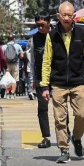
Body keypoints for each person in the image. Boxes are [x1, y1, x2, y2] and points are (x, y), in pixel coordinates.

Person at [40, 2, 84, 164]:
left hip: (78, 82)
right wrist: (44, 85)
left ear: (74, 17)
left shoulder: (82, 33)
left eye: (69, 15)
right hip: (58, 83)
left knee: (81, 115)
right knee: (60, 119)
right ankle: (64, 149)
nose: (66, 18)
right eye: (63, 15)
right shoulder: (51, 35)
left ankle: (77, 138)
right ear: (58, 16)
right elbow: (46, 61)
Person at [28, 13, 54, 149]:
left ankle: (65, 133)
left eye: (42, 25)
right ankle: (46, 137)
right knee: (42, 108)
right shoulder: (35, 38)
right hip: (40, 78)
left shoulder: (57, 34)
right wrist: (32, 78)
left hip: (56, 78)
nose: (39, 28)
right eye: (37, 25)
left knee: (60, 108)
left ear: (49, 23)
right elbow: (33, 60)